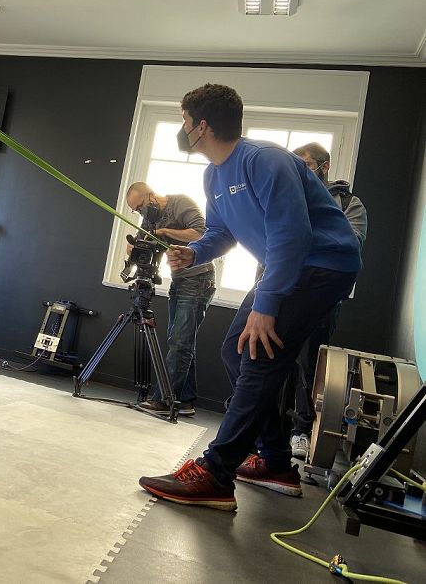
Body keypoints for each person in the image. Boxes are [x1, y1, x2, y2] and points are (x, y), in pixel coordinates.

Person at [138, 84, 360, 511]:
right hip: (291, 265)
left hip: (324, 264)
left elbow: (292, 236)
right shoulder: (214, 175)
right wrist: (195, 251)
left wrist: (267, 303)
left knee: (256, 355)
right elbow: (222, 233)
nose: (183, 129)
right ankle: (276, 462)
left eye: (185, 120)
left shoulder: (265, 160)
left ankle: (217, 472)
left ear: (202, 126)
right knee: (237, 352)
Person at [286, 142, 367, 460]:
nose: (301, 170)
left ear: (325, 165)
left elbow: (352, 242)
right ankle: (262, 430)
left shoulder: (349, 203)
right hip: (284, 290)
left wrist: (304, 235)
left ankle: (300, 433)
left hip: (323, 297)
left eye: (306, 164)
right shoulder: (290, 198)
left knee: (309, 366)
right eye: (297, 164)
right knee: (269, 362)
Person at [125, 182, 215, 417]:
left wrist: (164, 232)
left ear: (151, 196)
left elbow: (201, 232)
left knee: (180, 342)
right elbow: (142, 240)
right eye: (136, 210)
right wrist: (133, 247)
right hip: (179, 279)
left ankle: (165, 400)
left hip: (198, 278)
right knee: (182, 341)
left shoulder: (180, 203)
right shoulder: (150, 219)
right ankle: (185, 401)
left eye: (140, 206)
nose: (140, 212)